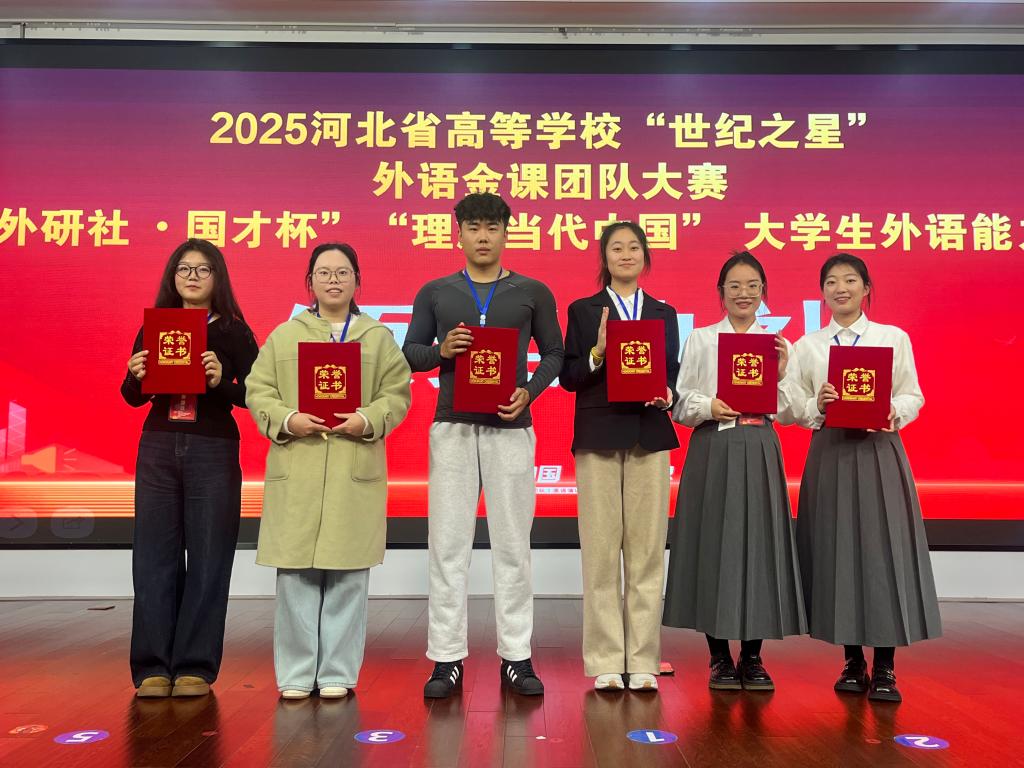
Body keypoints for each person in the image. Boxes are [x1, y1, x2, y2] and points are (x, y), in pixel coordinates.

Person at [403, 192, 564, 698]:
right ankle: (446, 658)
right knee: (447, 546)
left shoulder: (532, 291)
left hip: (510, 429)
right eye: (473, 227)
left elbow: (555, 353)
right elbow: (410, 353)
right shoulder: (435, 291)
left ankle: (516, 656)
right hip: (452, 428)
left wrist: (530, 392)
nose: (483, 236)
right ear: (459, 234)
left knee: (513, 547)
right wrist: (441, 351)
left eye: (492, 227)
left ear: (505, 233)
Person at [245, 242, 411, 699]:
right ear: (310, 281)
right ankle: (297, 674)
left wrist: (368, 419)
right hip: (297, 464)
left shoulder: (377, 337)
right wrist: (287, 419)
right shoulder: (285, 335)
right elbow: (258, 390)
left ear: (357, 280)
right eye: (324, 272)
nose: (333, 280)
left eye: (342, 272)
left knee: (348, 574)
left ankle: (337, 671)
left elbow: (397, 394)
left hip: (352, 465)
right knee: (295, 575)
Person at [791, 253, 941, 703]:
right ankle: (853, 661)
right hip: (832, 452)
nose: (841, 288)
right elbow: (791, 406)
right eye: (831, 282)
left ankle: (887, 666)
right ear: (822, 292)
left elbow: (913, 394)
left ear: (866, 288)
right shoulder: (808, 345)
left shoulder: (892, 338)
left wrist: (892, 410)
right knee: (839, 553)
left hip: (879, 451)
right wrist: (817, 403)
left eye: (850, 280)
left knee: (883, 553)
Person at [662, 252, 807, 692]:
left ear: (764, 292)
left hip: (759, 445)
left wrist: (781, 373)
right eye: (735, 286)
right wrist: (710, 405)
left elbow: (793, 411)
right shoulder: (702, 339)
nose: (744, 294)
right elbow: (680, 403)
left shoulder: (778, 344)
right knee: (713, 546)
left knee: (759, 548)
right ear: (721, 292)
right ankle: (720, 656)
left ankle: (753, 655)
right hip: (714, 445)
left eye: (752, 286)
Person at [122, 238, 258, 698]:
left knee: (208, 557)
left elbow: (256, 395)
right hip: (158, 445)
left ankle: (195, 665)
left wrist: (221, 382)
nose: (193, 277)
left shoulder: (235, 331)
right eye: (184, 269)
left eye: (203, 269)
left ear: (218, 277)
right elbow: (131, 396)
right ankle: (152, 667)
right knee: (153, 557)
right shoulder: (155, 327)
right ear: (172, 277)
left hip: (212, 448)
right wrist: (135, 375)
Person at [560, 221, 679, 692]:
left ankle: (644, 659)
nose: (626, 254)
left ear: (645, 255)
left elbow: (672, 372)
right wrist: (598, 352)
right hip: (599, 436)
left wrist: (667, 393)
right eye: (616, 248)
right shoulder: (583, 310)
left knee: (647, 553)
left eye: (633, 247)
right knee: (601, 552)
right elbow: (570, 376)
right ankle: (606, 659)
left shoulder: (664, 312)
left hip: (649, 435)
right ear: (604, 257)